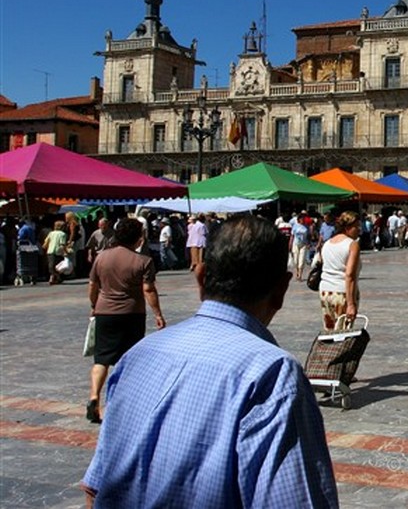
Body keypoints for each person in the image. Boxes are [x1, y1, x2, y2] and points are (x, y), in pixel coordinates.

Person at [80, 216, 338, 508]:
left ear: (200, 277)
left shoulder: (138, 356)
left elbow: (95, 489)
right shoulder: (272, 375)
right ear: (281, 290)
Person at [86, 217, 165, 424]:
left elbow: (93, 286)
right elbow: (148, 290)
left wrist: (94, 306)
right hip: (132, 314)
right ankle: (121, 403)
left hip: (105, 312)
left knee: (101, 358)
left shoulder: (101, 258)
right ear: (139, 238)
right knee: (128, 359)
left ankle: (94, 396)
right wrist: (158, 313)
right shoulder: (143, 261)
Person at [319, 211, 362, 333]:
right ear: (347, 227)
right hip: (342, 292)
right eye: (356, 226)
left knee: (329, 331)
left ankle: (328, 352)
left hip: (325, 291)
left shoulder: (327, 243)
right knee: (343, 333)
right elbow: (349, 276)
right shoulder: (352, 245)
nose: (359, 229)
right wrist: (351, 304)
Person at [42, 220, 68, 286]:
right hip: (58, 252)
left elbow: (46, 243)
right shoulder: (63, 234)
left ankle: (53, 278)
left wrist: (44, 247)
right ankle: (56, 277)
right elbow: (62, 244)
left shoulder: (51, 233)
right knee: (56, 267)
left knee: (51, 266)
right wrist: (65, 252)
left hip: (50, 251)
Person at [290, 213, 310, 281]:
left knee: (301, 261)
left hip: (303, 244)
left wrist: (308, 243)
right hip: (295, 244)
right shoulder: (295, 226)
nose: (303, 220)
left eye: (303, 219)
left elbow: (308, 236)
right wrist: (290, 244)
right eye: (301, 219)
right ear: (299, 219)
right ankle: (297, 273)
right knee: (296, 260)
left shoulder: (306, 227)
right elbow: (292, 236)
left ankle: (300, 275)